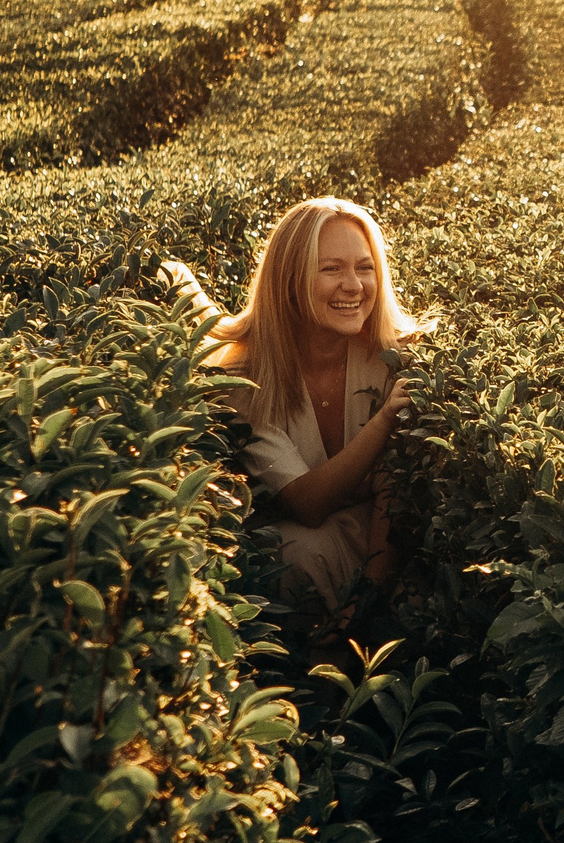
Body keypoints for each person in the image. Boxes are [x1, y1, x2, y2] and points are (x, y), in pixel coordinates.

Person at [162, 197, 430, 611]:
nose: (354, 285)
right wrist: (384, 419)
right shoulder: (247, 376)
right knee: (297, 550)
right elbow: (306, 503)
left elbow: (392, 494)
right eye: (331, 268)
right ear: (289, 280)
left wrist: (365, 604)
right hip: (313, 548)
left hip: (385, 544)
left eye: (364, 267)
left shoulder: (391, 358)